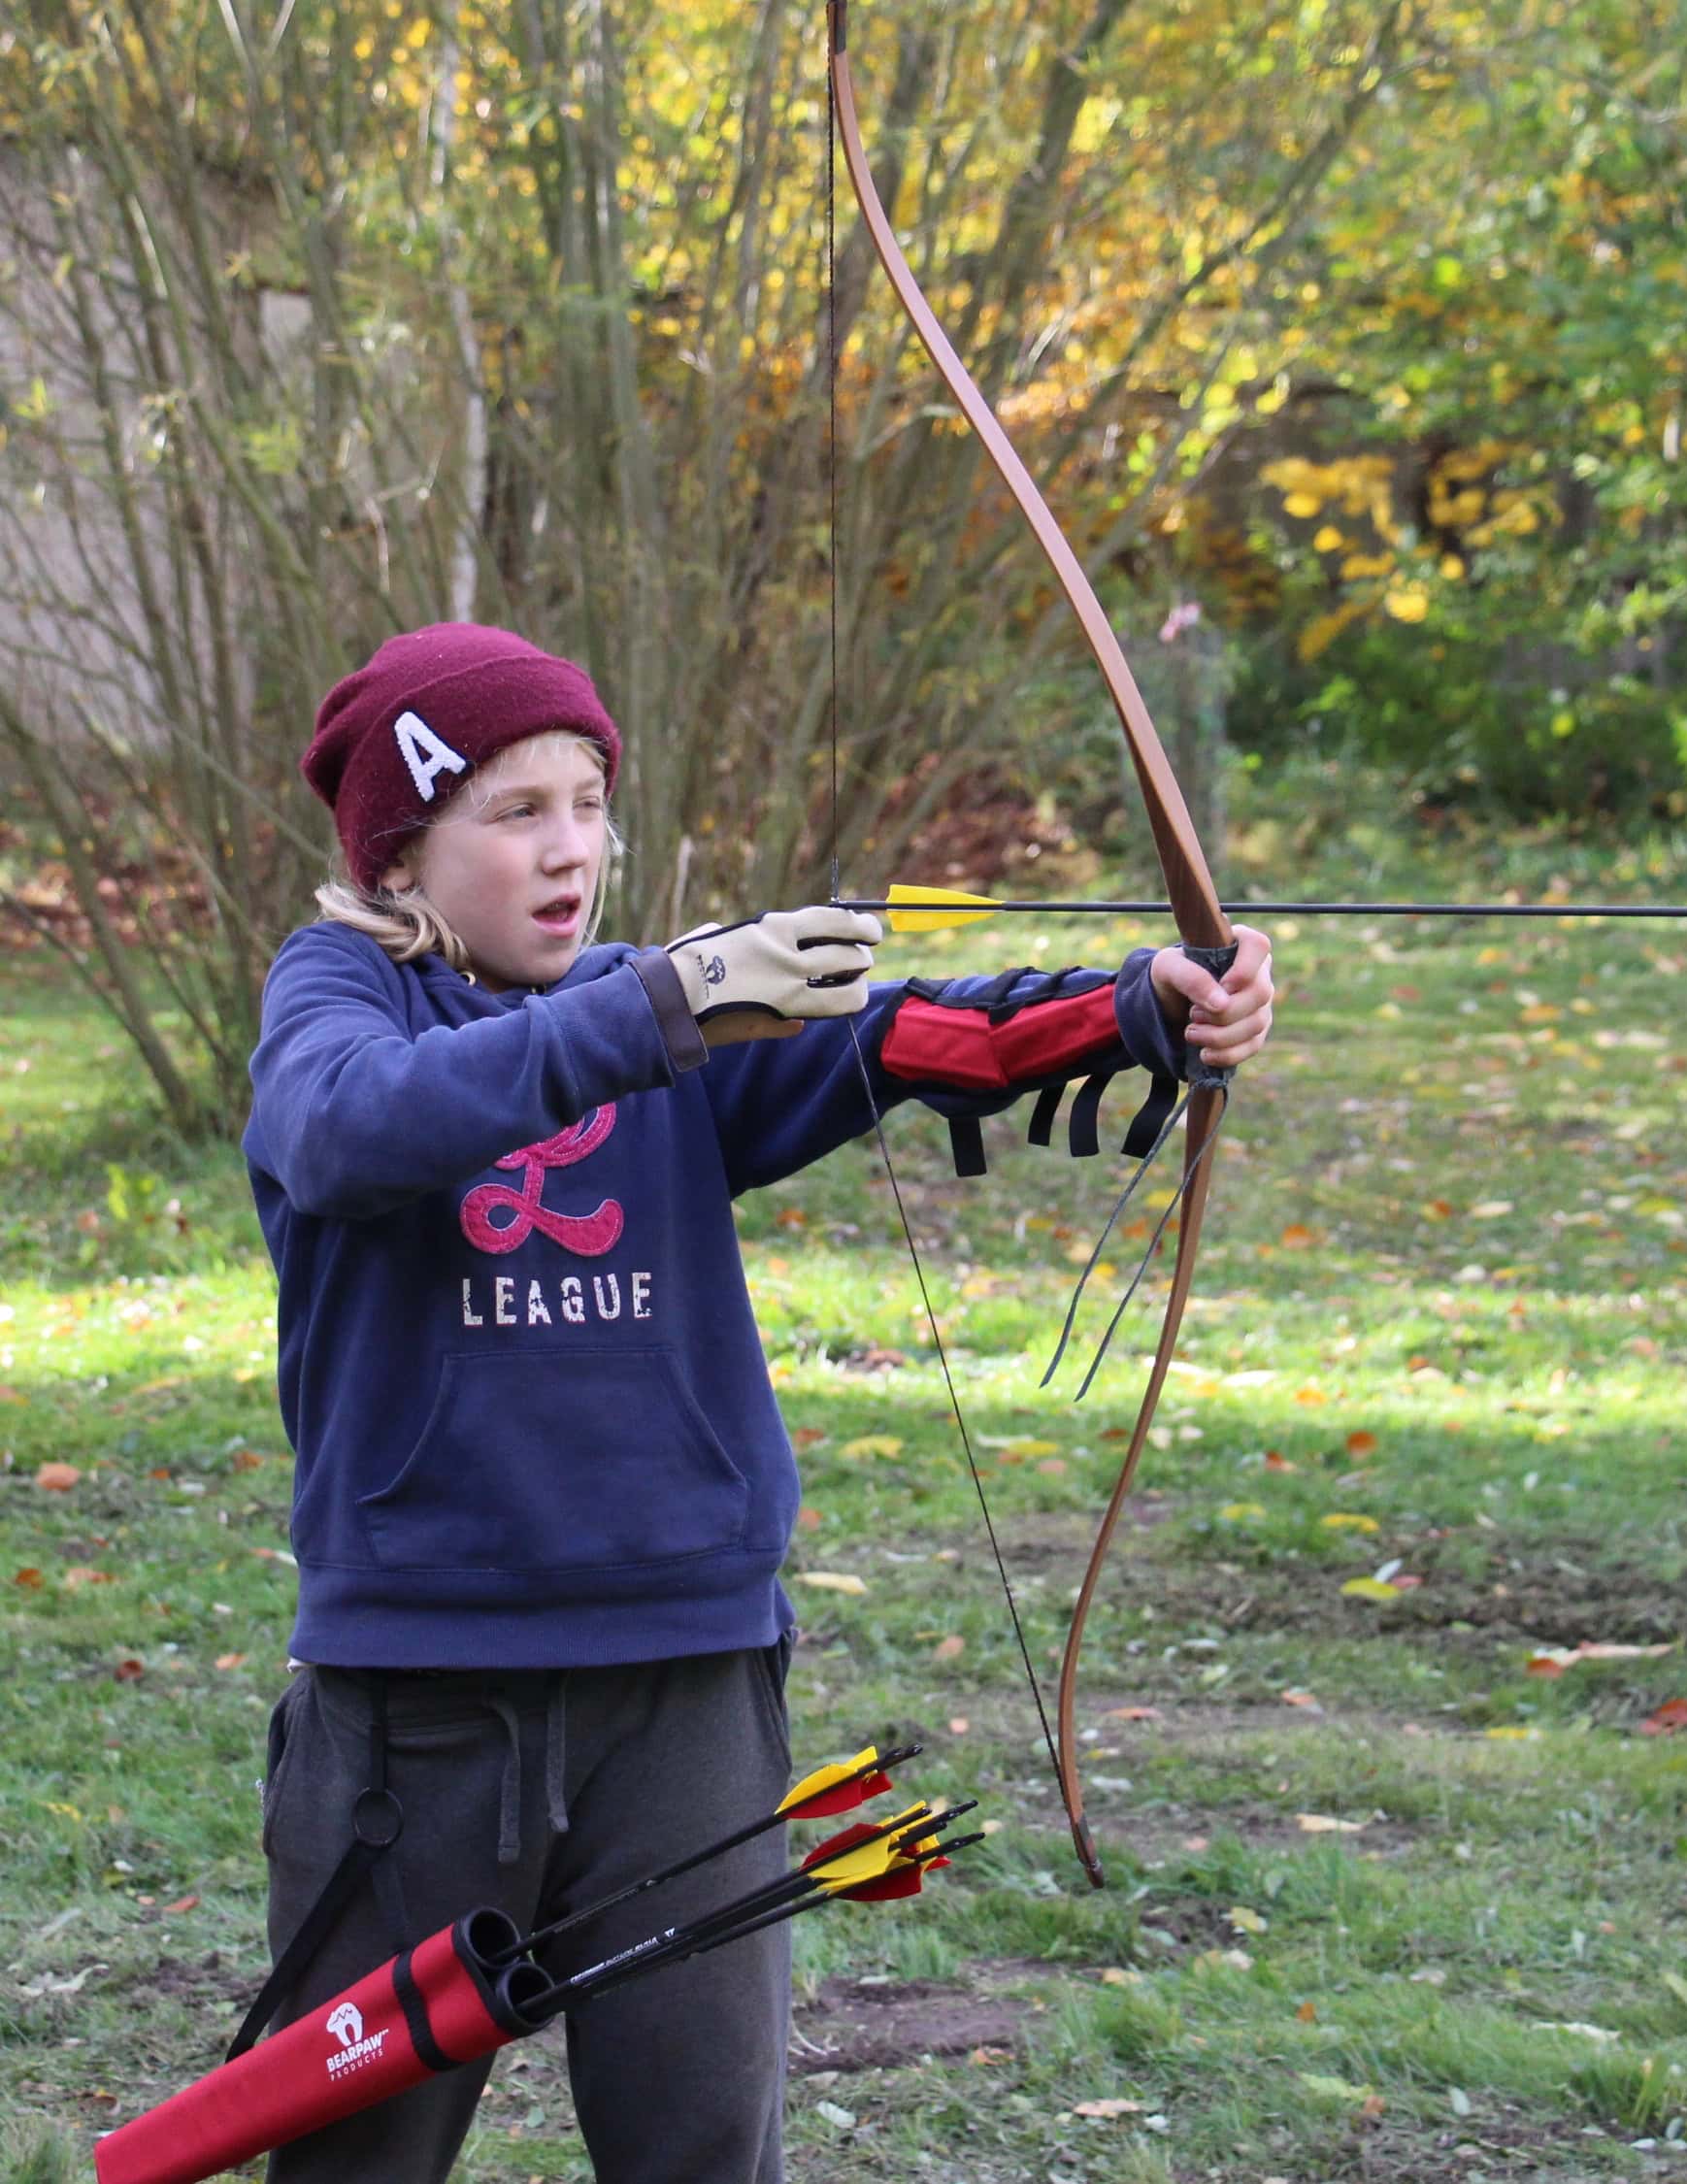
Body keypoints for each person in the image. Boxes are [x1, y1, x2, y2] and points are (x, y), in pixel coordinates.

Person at [239, 622, 1274, 2182]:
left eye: (587, 800)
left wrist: (1150, 1003)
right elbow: (344, 1133)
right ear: (398, 853)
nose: (568, 845)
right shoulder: (341, 998)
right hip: (416, 1701)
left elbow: (927, 1035)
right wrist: (663, 1003)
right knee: (351, 2159)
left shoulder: (665, 1021)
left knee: (701, 2147)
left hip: (687, 1687)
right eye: (513, 811)